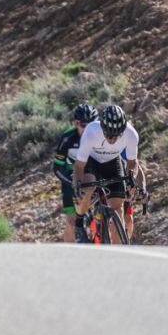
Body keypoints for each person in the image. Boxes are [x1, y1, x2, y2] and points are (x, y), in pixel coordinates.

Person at [72, 105, 143, 245]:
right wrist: (78, 183)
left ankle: (117, 253)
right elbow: (79, 165)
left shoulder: (131, 134)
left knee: (118, 207)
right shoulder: (91, 131)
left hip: (112, 162)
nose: (111, 139)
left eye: (116, 135)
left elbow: (132, 163)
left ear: (123, 130)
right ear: (102, 128)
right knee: (87, 190)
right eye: (108, 134)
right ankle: (79, 221)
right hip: (91, 161)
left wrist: (131, 179)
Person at [53, 103, 98, 243]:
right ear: (76, 123)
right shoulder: (68, 137)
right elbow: (57, 167)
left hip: (91, 173)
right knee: (71, 221)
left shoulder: (101, 136)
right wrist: (70, 182)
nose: (87, 129)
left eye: (91, 125)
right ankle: (71, 253)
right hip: (70, 176)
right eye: (83, 125)